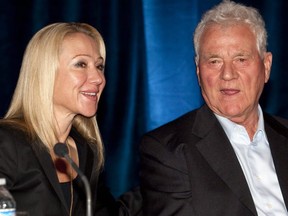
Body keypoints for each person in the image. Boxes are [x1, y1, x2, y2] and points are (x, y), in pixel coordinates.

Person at [140, 1, 288, 215]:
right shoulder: (168, 150)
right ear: (198, 73)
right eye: (215, 61)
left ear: (266, 67)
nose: (228, 74)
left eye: (241, 59)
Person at [0, 22, 119, 216]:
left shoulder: (86, 150)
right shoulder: (6, 143)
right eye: (81, 64)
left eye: (99, 66)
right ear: (45, 73)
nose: (98, 78)